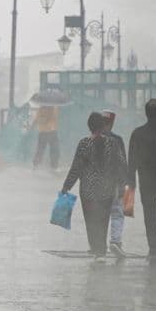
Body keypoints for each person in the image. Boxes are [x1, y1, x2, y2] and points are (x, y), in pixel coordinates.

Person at [62, 112, 128, 261]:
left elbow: (76, 168)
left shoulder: (84, 143)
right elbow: (121, 165)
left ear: (89, 126)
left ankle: (97, 249)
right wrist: (122, 183)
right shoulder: (113, 143)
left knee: (91, 221)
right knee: (103, 220)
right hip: (107, 189)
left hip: (88, 191)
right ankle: (102, 252)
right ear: (103, 125)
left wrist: (66, 187)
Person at [128, 99, 156, 259]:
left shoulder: (138, 133)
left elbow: (132, 162)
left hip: (147, 182)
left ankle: (155, 249)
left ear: (146, 113)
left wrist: (130, 186)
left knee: (150, 216)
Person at [100, 110, 130, 258]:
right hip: (115, 183)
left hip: (97, 185)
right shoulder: (117, 140)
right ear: (112, 123)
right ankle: (115, 242)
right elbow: (123, 164)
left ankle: (98, 245)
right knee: (117, 213)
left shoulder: (92, 139)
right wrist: (125, 184)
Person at [31, 104, 61, 171]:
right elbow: (54, 118)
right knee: (53, 150)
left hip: (45, 132)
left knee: (41, 149)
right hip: (50, 132)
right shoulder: (53, 108)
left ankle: (36, 165)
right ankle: (53, 166)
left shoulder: (42, 108)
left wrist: (33, 126)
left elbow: (36, 119)